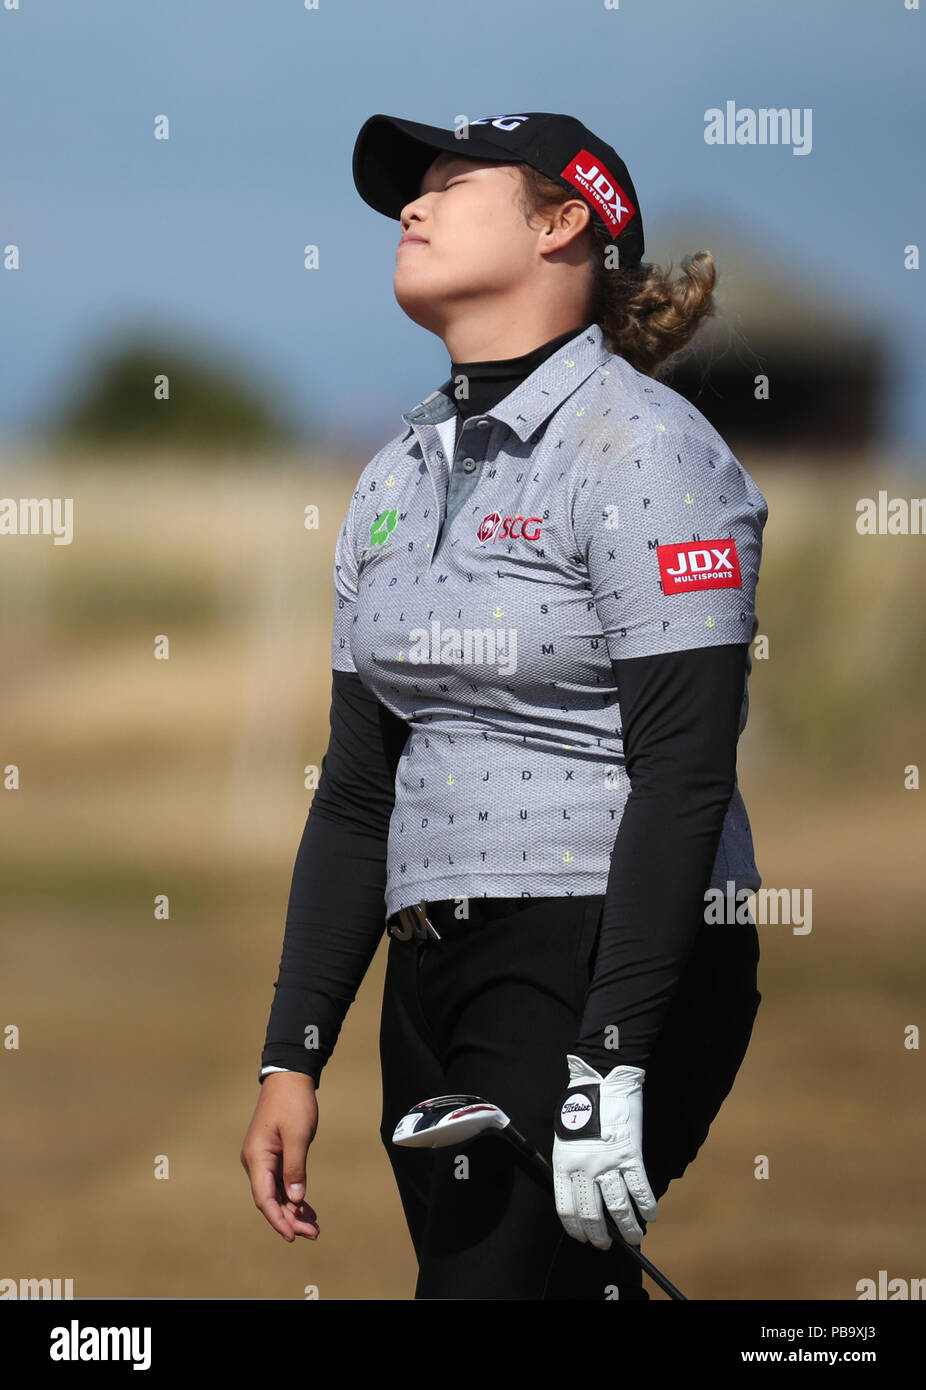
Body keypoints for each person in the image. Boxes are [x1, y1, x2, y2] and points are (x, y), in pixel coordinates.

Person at [240, 111, 768, 1300]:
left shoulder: (645, 451)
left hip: (595, 951)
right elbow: (356, 790)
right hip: (432, 970)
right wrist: (293, 1054)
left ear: (561, 221)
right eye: (406, 195)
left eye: (445, 185)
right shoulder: (389, 475)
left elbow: (685, 771)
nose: (407, 211)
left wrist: (614, 1051)